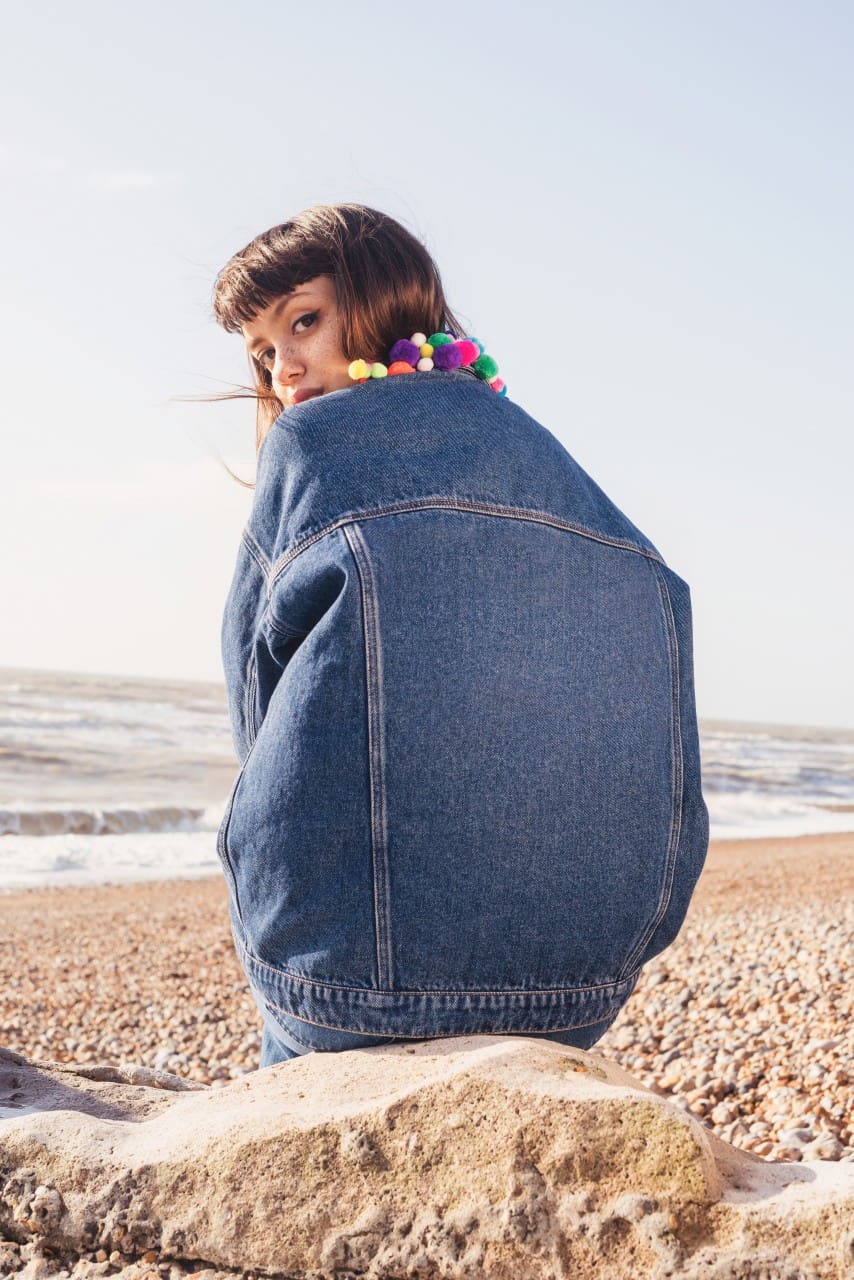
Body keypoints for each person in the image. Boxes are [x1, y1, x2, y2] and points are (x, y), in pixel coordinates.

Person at [211, 203, 709, 1068]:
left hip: (348, 984)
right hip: (583, 985)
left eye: (304, 321)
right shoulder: (545, 455)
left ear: (385, 299)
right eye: (262, 351)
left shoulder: (311, 444)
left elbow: (255, 710)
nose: (283, 369)